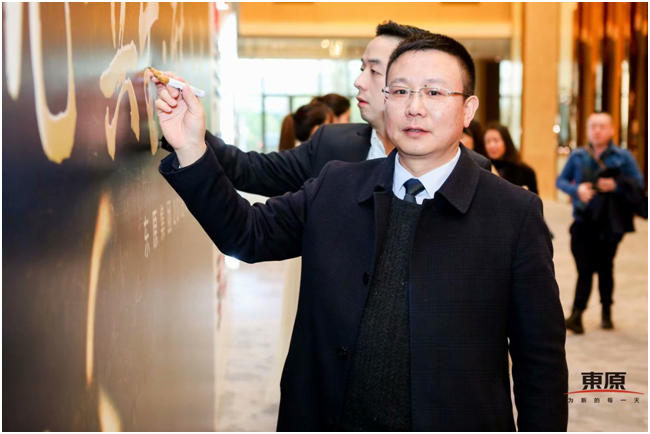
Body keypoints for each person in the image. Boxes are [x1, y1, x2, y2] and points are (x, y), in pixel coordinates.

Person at [154, 32, 568, 432]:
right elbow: (246, 233)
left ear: (468, 109)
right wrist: (191, 147)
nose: (415, 107)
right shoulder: (336, 185)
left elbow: (540, 361)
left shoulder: (514, 213)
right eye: (400, 91)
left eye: (434, 92)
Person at [159, 21, 492, 199]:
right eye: (361, 68)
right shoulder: (332, 146)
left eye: (374, 71)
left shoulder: (477, 175)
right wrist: (189, 137)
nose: (358, 82)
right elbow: (248, 171)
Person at [557, 112, 645, 334]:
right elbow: (561, 180)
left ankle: (606, 311)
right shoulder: (578, 155)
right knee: (584, 268)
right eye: (593, 126)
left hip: (609, 223)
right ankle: (577, 314)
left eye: (602, 126)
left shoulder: (623, 157)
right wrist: (577, 190)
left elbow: (639, 183)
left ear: (612, 130)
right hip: (583, 220)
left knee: (606, 267)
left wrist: (616, 185)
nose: (597, 130)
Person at [485, 122, 539, 194]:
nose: (491, 146)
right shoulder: (483, 168)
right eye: (488, 141)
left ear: (506, 142)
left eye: (496, 140)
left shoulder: (525, 171)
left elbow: (535, 199)